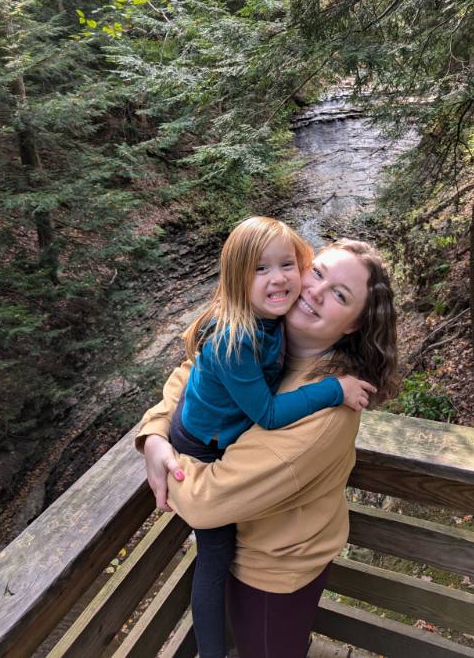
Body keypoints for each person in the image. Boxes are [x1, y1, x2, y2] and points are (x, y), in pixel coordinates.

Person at [137, 239, 398, 658]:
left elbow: (205, 501)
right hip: (253, 540)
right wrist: (153, 433)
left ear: (353, 325)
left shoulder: (323, 414)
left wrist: (167, 463)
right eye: (317, 273)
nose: (316, 291)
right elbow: (195, 370)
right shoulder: (265, 330)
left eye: (339, 295)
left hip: (272, 570)